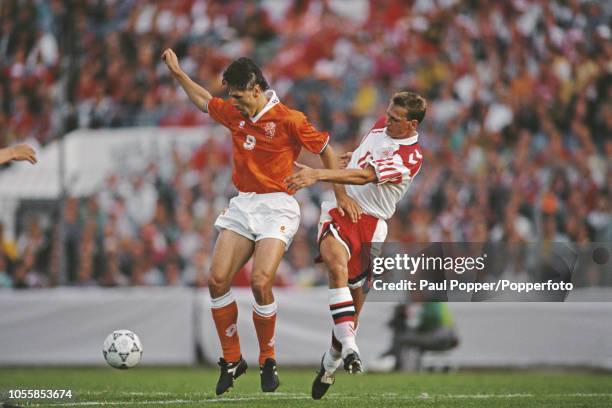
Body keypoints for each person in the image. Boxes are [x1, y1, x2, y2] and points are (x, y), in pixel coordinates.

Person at [161, 49, 360, 395]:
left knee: (259, 282)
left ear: (255, 90)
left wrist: (339, 194)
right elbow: (205, 101)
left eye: (237, 96)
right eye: (230, 96)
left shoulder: (289, 119)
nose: (232, 102)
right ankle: (233, 360)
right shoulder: (236, 114)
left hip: (278, 206)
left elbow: (326, 148)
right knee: (217, 280)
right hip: (243, 204)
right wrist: (178, 74)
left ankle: (268, 359)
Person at [285, 91, 427, 399]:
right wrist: (350, 158)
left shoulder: (410, 157)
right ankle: (351, 348)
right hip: (341, 211)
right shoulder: (380, 125)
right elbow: (363, 157)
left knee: (353, 307)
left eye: (394, 118)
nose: (386, 119)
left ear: (412, 124)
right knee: (335, 266)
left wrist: (319, 174)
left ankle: (332, 360)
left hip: (372, 224)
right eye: (387, 113)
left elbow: (365, 177)